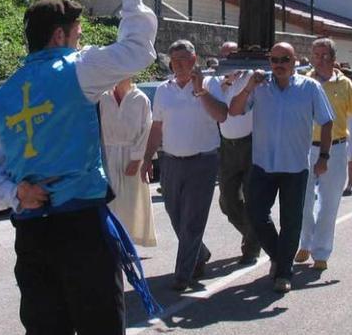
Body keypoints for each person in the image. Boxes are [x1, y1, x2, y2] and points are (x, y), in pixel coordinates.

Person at [0, 0, 159, 333]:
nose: (78, 43)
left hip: (32, 234)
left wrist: (16, 193)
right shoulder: (79, 70)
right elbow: (139, 48)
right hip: (81, 229)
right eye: (76, 36)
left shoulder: (2, 97)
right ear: (59, 36)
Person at [229, 42, 334, 294]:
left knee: (291, 221)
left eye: (284, 59)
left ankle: (283, 272)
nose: (279, 65)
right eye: (274, 60)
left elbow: (327, 122)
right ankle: (279, 256)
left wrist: (324, 157)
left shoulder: (310, 88)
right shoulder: (260, 86)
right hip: (263, 165)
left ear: (295, 61)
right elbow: (234, 111)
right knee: (255, 214)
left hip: (295, 166)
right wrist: (248, 87)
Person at [142, 40, 228, 291]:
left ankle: (183, 274)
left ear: (194, 60)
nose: (179, 64)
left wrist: (200, 90)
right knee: (174, 214)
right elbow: (156, 127)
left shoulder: (210, 84)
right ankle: (199, 253)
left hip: (203, 161)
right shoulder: (164, 90)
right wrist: (148, 158)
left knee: (192, 219)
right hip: (171, 161)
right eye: (174, 60)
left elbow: (222, 115)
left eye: (184, 59)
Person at [296, 38, 352, 271]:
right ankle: (305, 243)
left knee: (329, 202)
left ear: (333, 57)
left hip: (336, 147)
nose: (319, 59)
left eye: (324, 55)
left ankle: (321, 251)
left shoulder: (345, 84)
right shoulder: (303, 82)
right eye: (316, 55)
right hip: (306, 147)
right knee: (302, 200)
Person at [208, 66, 260, 265]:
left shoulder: (251, 77)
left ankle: (251, 247)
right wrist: (227, 81)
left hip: (251, 143)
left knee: (252, 198)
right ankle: (253, 234)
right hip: (226, 144)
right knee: (227, 202)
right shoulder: (216, 82)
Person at [100, 78, 156, 247]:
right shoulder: (103, 97)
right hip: (108, 154)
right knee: (110, 201)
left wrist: (138, 158)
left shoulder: (140, 99)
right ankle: (111, 240)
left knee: (131, 201)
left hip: (132, 154)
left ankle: (129, 241)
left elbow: (147, 128)